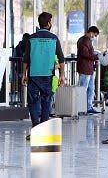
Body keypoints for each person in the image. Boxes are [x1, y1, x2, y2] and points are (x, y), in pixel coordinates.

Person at [22, 12, 65, 140]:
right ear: (48, 24)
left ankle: (36, 129)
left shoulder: (31, 38)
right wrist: (62, 75)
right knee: (47, 102)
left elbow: (26, 59)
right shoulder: (54, 38)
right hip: (48, 75)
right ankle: (44, 132)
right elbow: (61, 59)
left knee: (33, 103)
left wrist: (24, 74)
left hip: (33, 76)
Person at [76, 25, 100, 114]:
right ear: (91, 32)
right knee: (83, 89)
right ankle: (81, 108)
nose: (94, 37)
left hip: (88, 69)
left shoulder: (88, 41)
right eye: (95, 35)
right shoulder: (84, 41)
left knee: (90, 88)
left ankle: (88, 107)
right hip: (84, 69)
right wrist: (96, 56)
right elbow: (85, 54)